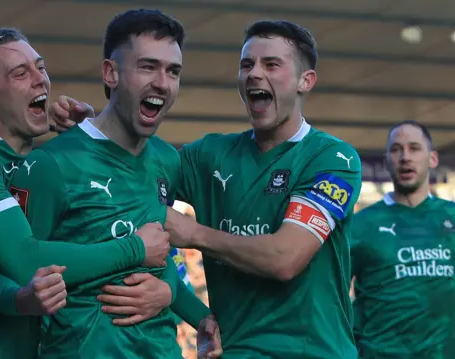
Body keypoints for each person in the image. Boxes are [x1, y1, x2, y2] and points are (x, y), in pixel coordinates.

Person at [52, 19, 362, 358]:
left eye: (271, 64)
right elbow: (132, 176)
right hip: (230, 351)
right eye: (247, 65)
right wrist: (96, 130)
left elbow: (286, 258)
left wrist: (196, 235)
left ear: (307, 80)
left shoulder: (332, 158)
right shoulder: (208, 156)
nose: (254, 74)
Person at [0, 27, 171, 359]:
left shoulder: (42, 164)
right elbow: (25, 258)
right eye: (20, 73)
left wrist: (90, 138)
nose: (40, 79)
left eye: (40, 66)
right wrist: (135, 247)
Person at [0, 9, 222, 359]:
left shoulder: (167, 161)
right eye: (147, 67)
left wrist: (197, 315)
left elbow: (159, 256)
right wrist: (25, 298)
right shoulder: (52, 165)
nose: (163, 82)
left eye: (173, 71)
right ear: (111, 73)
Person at [351, 120, 455, 359]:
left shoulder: (451, 216)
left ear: (433, 159)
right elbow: (331, 298)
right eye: (396, 149)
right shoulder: (360, 225)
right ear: (387, 160)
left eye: (414, 148)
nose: (405, 157)